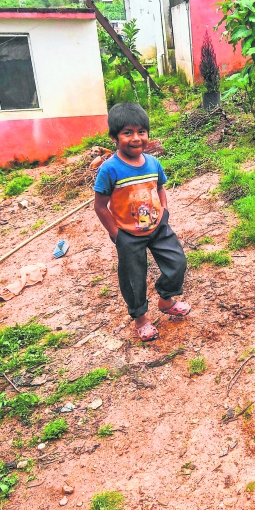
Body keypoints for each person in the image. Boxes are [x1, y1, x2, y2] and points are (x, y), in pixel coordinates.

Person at [94, 102, 191, 341]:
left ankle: (166, 300)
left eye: (141, 132)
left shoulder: (153, 163)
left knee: (177, 262)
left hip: (158, 226)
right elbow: (99, 206)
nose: (136, 138)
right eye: (127, 133)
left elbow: (159, 188)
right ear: (114, 137)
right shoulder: (110, 170)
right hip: (128, 234)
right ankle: (140, 319)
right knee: (133, 278)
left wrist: (164, 211)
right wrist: (117, 234)